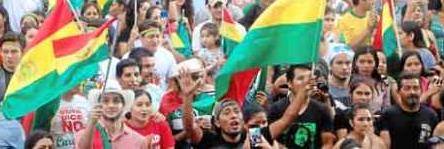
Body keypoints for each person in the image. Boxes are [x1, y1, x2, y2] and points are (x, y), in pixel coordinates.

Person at [180, 63, 312, 148]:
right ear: (218, 123)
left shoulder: (253, 137)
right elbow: (189, 127)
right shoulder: (210, 140)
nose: (233, 115)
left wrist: (303, 91)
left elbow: (287, 119)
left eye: (236, 111)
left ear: (243, 120)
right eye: (226, 112)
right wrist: (187, 96)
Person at [268, 64, 335, 148]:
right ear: (289, 83)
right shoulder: (276, 109)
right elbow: (269, 138)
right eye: (300, 79)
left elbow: (328, 143)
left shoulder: (322, 109)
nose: (306, 83)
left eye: (308, 79)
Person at [76, 82, 148, 148]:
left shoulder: (139, 141)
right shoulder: (84, 135)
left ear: (123, 105)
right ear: (98, 106)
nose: (111, 105)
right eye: (105, 101)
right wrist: (92, 123)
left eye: (116, 101)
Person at [379, 72, 438, 149]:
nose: (412, 92)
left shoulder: (431, 115)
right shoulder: (388, 115)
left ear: (421, 90)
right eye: (407, 88)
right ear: (398, 91)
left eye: (416, 88)